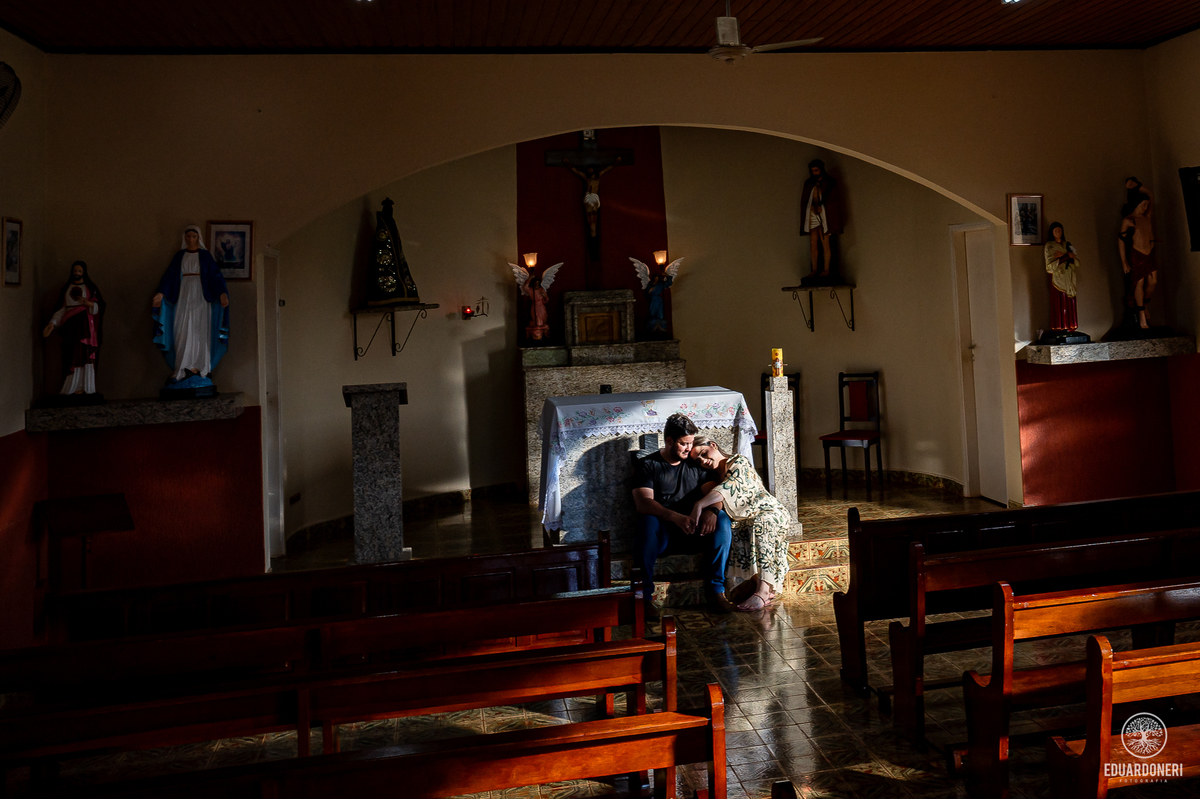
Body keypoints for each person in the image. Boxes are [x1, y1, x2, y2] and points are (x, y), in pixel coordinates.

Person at [632, 413, 735, 615]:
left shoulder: (694, 463)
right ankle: (643, 598)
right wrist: (674, 517)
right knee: (647, 523)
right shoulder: (648, 465)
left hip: (694, 530)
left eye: (690, 443)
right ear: (669, 440)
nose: (689, 448)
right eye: (683, 443)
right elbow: (643, 503)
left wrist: (713, 510)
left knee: (722, 519)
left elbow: (715, 494)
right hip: (664, 534)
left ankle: (717, 591)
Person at [688, 437, 791, 612]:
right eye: (699, 461)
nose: (703, 461)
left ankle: (763, 592)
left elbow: (728, 489)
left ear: (713, 444)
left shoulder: (738, 461)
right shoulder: (712, 476)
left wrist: (699, 504)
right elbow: (716, 495)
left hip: (768, 512)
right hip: (745, 518)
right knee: (734, 529)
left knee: (761, 524)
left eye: (704, 453)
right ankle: (755, 583)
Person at [152, 225, 230, 384]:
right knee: (180, 329)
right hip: (183, 296)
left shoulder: (205, 256)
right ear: (184, 238)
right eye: (188, 236)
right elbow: (169, 277)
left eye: (194, 237)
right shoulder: (179, 256)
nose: (190, 239)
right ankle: (182, 366)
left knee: (200, 329)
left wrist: (222, 293)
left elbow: (216, 277)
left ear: (198, 238)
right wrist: (161, 293)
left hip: (201, 298)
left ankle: (200, 367)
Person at [43, 260, 105, 395]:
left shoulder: (90, 288)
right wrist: (52, 323)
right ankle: (71, 387)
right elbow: (62, 308)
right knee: (71, 356)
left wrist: (88, 303)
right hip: (70, 327)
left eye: (79, 271)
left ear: (84, 273)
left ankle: (87, 387)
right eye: (75, 271)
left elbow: (99, 307)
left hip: (85, 327)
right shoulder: (66, 288)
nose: (77, 273)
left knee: (85, 355)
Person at [1118, 181, 1157, 329]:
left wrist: (1139, 186)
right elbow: (1121, 241)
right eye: (1142, 205)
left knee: (1153, 282)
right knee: (1139, 283)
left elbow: (1151, 195)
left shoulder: (1147, 217)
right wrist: (1124, 262)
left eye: (1146, 205)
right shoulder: (1129, 220)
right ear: (1136, 205)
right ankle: (1141, 317)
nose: (1145, 208)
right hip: (1137, 254)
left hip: (1149, 254)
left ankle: (1145, 304)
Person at [801, 159, 844, 279]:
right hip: (812, 214)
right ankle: (814, 269)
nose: (815, 173)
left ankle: (827, 269)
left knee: (825, 242)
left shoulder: (828, 182)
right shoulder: (809, 183)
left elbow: (833, 201)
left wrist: (823, 207)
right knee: (813, 242)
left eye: (817, 170)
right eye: (813, 171)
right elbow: (805, 200)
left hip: (824, 215)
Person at [1043, 222, 1080, 334]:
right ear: (1052, 232)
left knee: (1070, 302)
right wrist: (1065, 257)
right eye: (1056, 231)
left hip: (1069, 278)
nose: (1058, 233)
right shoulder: (1050, 246)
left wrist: (1068, 257)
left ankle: (1071, 326)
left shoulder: (1067, 245)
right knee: (1060, 302)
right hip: (1058, 278)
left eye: (1059, 230)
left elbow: (1076, 260)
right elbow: (1050, 266)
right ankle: (1060, 326)